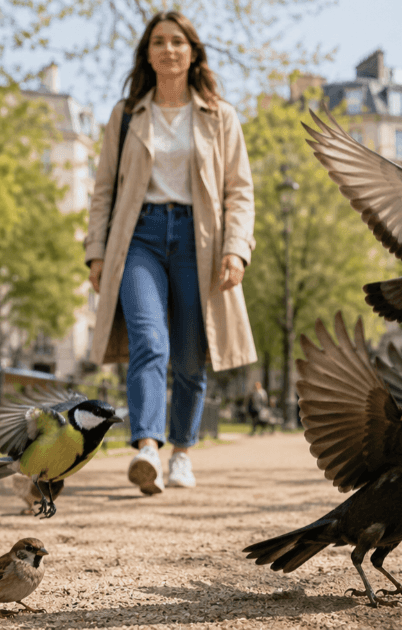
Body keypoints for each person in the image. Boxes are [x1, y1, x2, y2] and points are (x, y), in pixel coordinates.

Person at [85, 11, 257, 495]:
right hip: (138, 237)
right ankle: (146, 449)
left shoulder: (220, 115)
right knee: (148, 340)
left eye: (177, 41)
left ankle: (182, 452)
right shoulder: (126, 115)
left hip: (199, 238)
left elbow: (239, 191)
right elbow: (102, 192)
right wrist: (96, 252)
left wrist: (236, 250)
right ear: (148, 54)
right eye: (158, 42)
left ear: (193, 51)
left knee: (189, 354)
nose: (168, 49)